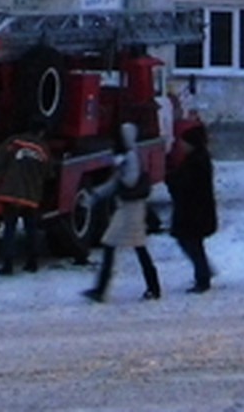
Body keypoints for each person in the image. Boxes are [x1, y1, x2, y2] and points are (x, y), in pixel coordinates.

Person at [82, 121, 160, 303]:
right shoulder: (129, 155)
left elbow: (128, 181)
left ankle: (101, 289)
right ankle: (152, 287)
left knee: (115, 245)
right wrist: (96, 195)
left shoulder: (130, 157)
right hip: (129, 208)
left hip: (131, 209)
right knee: (137, 247)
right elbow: (115, 182)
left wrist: (119, 168)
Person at [0, 119, 51, 275]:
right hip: (31, 196)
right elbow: (49, 173)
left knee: (9, 229)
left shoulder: (13, 142)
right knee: (31, 229)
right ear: (42, 131)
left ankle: (8, 265)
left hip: (10, 193)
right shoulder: (43, 149)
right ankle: (32, 262)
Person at [166, 121, 217, 293]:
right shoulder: (199, 158)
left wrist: (171, 178)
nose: (181, 145)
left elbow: (185, 185)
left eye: (184, 142)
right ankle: (203, 274)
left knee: (191, 243)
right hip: (196, 211)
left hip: (193, 212)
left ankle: (203, 277)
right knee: (194, 244)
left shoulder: (195, 161)